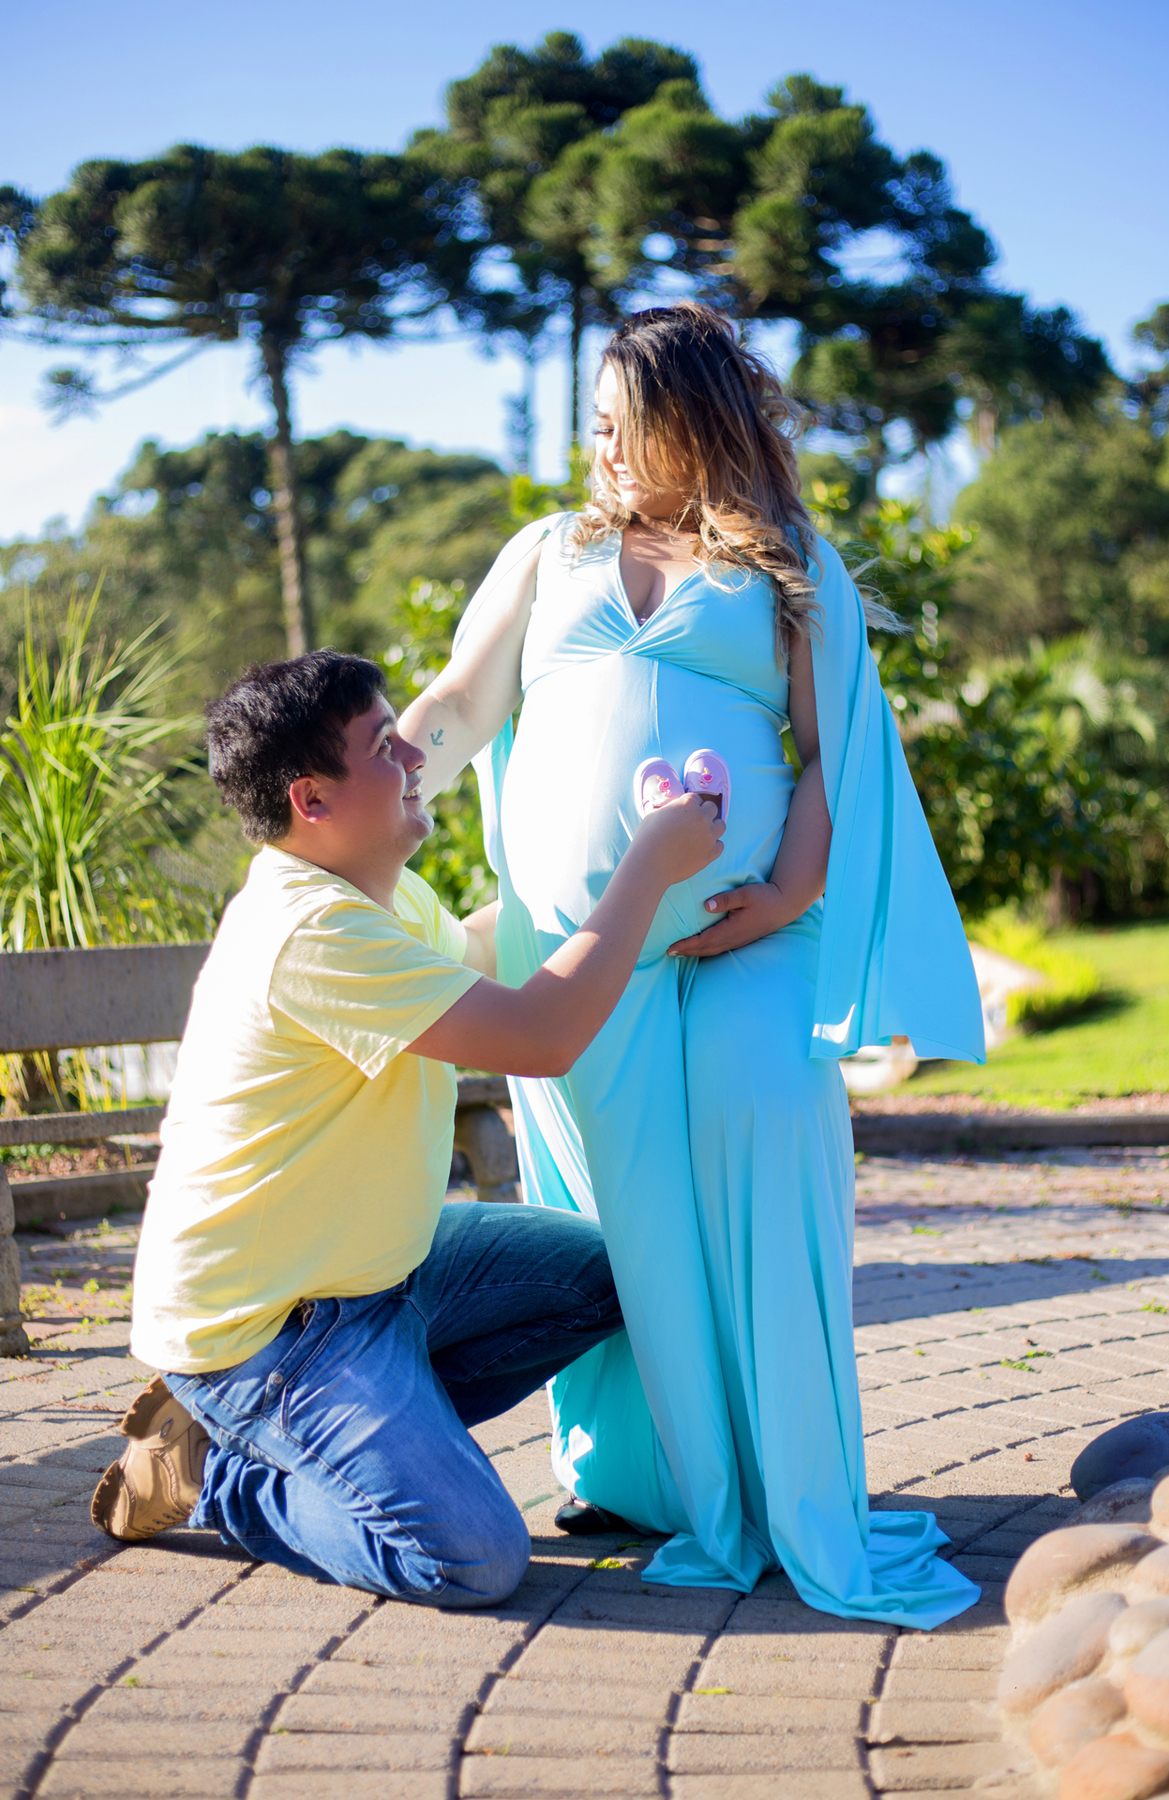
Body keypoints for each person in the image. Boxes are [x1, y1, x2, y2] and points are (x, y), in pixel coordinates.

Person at [397, 303, 987, 1629]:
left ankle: (801, 1493)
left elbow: (838, 752)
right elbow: (458, 703)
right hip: (582, 966)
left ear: (696, 422)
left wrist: (786, 890)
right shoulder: (549, 555)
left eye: (627, 426)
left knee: (764, 1149)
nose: (602, 450)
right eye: (593, 427)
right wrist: (377, 775)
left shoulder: (787, 566)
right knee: (635, 1225)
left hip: (755, 934)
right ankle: (677, 1492)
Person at [94, 650, 723, 1607]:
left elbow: (492, 954)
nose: (415, 758)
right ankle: (235, 1475)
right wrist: (650, 866)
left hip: (380, 1273)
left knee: (613, 1271)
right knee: (472, 1559)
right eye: (385, 747)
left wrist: (610, 858)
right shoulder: (311, 930)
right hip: (272, 1332)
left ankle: (349, 1434)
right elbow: (539, 1034)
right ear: (312, 799)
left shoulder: (381, 898)